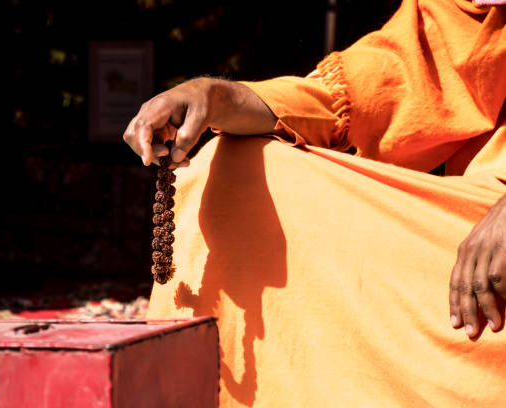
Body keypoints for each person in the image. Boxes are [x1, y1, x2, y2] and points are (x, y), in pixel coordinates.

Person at [123, 0, 505, 406]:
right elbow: (362, 93)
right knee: (237, 169)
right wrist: (212, 96)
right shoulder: (475, 14)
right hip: (467, 231)